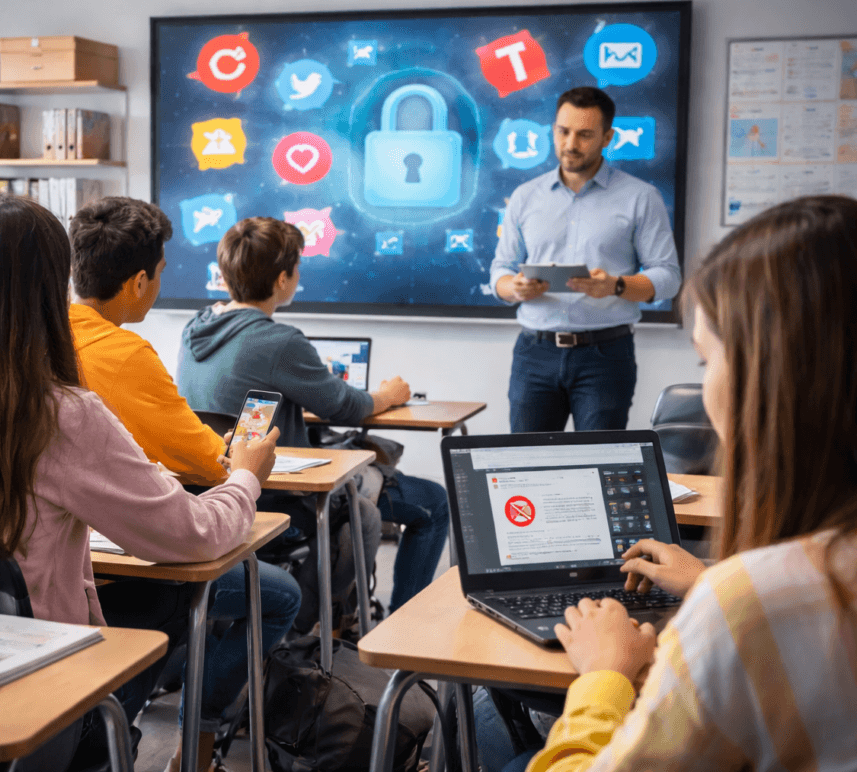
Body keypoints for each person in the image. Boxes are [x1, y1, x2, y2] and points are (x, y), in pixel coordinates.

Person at [0, 193, 278, 768]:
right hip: (44, 679)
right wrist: (245, 477)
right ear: (49, 289)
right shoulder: (59, 413)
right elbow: (192, 533)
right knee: (179, 600)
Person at [500, 195, 857, 771]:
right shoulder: (749, 592)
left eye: (704, 360)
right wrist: (711, 578)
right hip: (537, 345)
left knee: (501, 732)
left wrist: (605, 676)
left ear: (766, 379)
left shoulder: (756, 603)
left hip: (601, 348)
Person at [68, 196, 301, 772]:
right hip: (117, 555)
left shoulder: (47, 335)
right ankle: (193, 741)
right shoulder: (123, 353)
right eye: (163, 271)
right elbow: (204, 462)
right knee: (277, 595)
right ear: (140, 280)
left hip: (62, 560)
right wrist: (245, 464)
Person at [177, 216, 449, 621]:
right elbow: (345, 407)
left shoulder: (194, 328)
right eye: (298, 267)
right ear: (283, 279)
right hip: (275, 492)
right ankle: (398, 629)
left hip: (209, 488)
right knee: (433, 502)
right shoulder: (279, 341)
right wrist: (388, 395)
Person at [489, 86, 681, 433]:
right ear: (553, 129)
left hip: (605, 355)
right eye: (563, 131)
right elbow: (500, 269)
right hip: (535, 352)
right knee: (525, 464)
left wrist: (616, 285)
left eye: (585, 134)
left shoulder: (641, 197)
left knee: (598, 465)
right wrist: (514, 287)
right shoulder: (524, 196)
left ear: (607, 137)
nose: (571, 144)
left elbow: (668, 276)